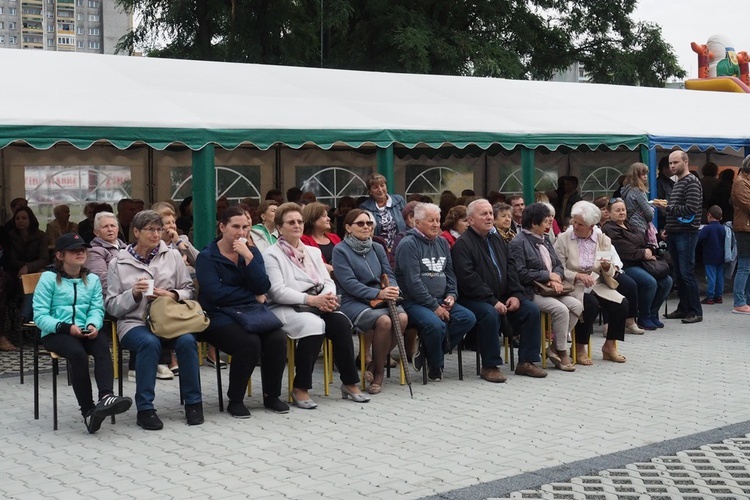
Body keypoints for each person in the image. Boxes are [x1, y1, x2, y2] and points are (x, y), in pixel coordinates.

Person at [106, 210, 203, 430]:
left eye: (159, 229)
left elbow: (188, 291)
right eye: (150, 229)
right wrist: (134, 294)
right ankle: (145, 408)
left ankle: (193, 404)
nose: (156, 234)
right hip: (134, 322)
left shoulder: (173, 256)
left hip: (170, 320)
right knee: (149, 343)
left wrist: (172, 295)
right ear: (136, 232)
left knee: (187, 341)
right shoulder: (118, 262)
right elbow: (111, 305)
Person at [264, 203, 368, 406]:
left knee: (341, 323)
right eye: (291, 222)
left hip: (318, 303)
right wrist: (311, 300)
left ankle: (349, 382)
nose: (296, 225)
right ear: (279, 227)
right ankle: (300, 387)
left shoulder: (312, 251)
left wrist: (327, 298)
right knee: (313, 325)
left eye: (300, 221)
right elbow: (277, 291)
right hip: (286, 307)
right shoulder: (271, 254)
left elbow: (327, 280)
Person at [33, 233, 132, 433]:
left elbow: (97, 309)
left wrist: (93, 324)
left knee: (102, 344)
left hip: (84, 329)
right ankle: (88, 411)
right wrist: (65, 327)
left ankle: (106, 398)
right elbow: (40, 316)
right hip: (56, 332)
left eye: (82, 249)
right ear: (60, 255)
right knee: (77, 354)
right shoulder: (48, 278)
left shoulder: (92, 279)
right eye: (74, 250)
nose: (80, 252)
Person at [196, 206, 289, 418]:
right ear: (222, 227)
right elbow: (216, 294)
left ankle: (271, 395)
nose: (241, 232)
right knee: (249, 343)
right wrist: (251, 295)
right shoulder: (207, 257)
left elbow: (262, 287)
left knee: (277, 338)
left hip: (250, 312)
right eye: (235, 227)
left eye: (245, 227)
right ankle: (235, 399)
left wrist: (248, 258)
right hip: (218, 315)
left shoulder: (252, 252)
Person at [452, 199, 546, 382]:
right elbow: (468, 279)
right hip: (474, 299)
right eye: (483, 214)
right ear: (470, 220)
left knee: (530, 310)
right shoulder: (463, 244)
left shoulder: (497, 239)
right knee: (489, 314)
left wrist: (516, 294)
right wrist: (492, 301)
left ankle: (526, 362)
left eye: (489, 213)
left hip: (503, 295)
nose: (489, 217)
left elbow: (511, 268)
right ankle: (490, 365)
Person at [395, 203, 476, 381]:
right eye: (430, 220)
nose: (436, 224)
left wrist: (451, 295)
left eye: (438, 220)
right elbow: (413, 282)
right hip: (414, 302)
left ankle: (428, 350)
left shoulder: (442, 243)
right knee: (435, 325)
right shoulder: (408, 244)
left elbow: (450, 273)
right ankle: (436, 363)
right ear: (417, 222)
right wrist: (434, 306)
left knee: (467, 318)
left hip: (441, 299)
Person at [332, 208, 407, 394]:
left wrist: (393, 288)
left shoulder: (377, 247)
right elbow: (349, 283)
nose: (366, 227)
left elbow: (389, 273)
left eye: (369, 223)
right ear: (348, 227)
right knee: (384, 321)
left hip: (380, 298)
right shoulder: (340, 250)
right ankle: (380, 373)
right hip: (352, 300)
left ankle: (373, 364)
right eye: (360, 223)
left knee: (403, 318)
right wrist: (378, 294)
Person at [509, 203, 582, 371]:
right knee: (561, 310)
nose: (550, 221)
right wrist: (547, 276)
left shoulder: (545, 239)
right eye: (546, 219)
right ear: (534, 223)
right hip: (531, 291)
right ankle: (562, 352)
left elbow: (557, 264)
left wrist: (555, 278)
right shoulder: (518, 243)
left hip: (552, 288)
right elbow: (520, 273)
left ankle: (554, 347)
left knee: (577, 305)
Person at [554, 201, 629, 364]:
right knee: (590, 305)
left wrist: (607, 266)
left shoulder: (602, 240)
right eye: (574, 222)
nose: (575, 226)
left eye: (580, 224)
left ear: (591, 226)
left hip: (596, 283)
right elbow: (558, 268)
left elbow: (609, 271)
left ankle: (609, 347)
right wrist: (577, 276)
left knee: (621, 304)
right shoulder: (563, 239)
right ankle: (580, 348)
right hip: (573, 285)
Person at [602, 199, 672, 330]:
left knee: (667, 281)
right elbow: (624, 250)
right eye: (617, 210)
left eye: (623, 209)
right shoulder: (609, 228)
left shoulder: (630, 226)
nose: (622, 212)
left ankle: (653, 313)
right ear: (609, 213)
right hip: (626, 265)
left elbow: (645, 240)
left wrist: (650, 249)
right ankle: (643, 317)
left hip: (643, 262)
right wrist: (643, 252)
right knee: (649, 282)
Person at [654, 150, 703, 324]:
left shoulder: (691, 182)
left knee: (686, 272)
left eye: (675, 162)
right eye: (670, 163)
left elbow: (690, 209)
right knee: (679, 273)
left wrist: (667, 208)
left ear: (686, 162)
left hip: (687, 233)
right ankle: (683, 308)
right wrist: (668, 226)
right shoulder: (679, 183)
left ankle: (695, 311)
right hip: (676, 232)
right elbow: (678, 209)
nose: (672, 166)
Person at [359, 173, 407, 251]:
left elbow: (409, 222)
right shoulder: (365, 207)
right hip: (379, 250)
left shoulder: (399, 201)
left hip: (401, 247)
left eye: (382, 185)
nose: (380, 190)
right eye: (375, 187)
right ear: (370, 191)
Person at [6, 206, 48, 278]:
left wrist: (28, 267)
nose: (20, 221)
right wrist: (24, 267)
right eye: (17, 218)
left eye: (24, 218)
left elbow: (44, 259)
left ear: (30, 219)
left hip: (36, 269)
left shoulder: (41, 235)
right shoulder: (10, 236)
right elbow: (12, 259)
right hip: (16, 270)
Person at [300, 202, 341, 274]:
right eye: (324, 216)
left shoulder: (335, 237)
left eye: (327, 215)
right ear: (312, 220)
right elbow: (312, 263)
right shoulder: (303, 240)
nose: (328, 219)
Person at [732, 155, 750, 314]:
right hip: (744, 228)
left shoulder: (745, 181)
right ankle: (739, 301)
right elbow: (748, 204)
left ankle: (746, 300)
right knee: (744, 266)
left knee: (748, 266)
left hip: (747, 227)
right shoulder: (740, 182)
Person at [698, 205, 726, 305]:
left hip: (709, 256)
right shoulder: (723, 228)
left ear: (709, 215)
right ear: (721, 217)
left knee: (711, 277)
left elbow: (699, 239)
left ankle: (710, 297)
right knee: (720, 277)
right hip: (721, 256)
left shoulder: (707, 229)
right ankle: (718, 296)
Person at [620, 162, 654, 236]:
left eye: (646, 174)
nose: (646, 177)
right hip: (639, 225)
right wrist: (651, 209)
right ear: (636, 176)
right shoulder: (638, 191)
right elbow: (649, 214)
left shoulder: (626, 190)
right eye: (643, 174)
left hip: (629, 223)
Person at [656, 157, 675, 232]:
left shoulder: (672, 183)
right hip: (663, 222)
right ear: (665, 168)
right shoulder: (658, 184)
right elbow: (658, 204)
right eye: (671, 165)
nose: (673, 167)